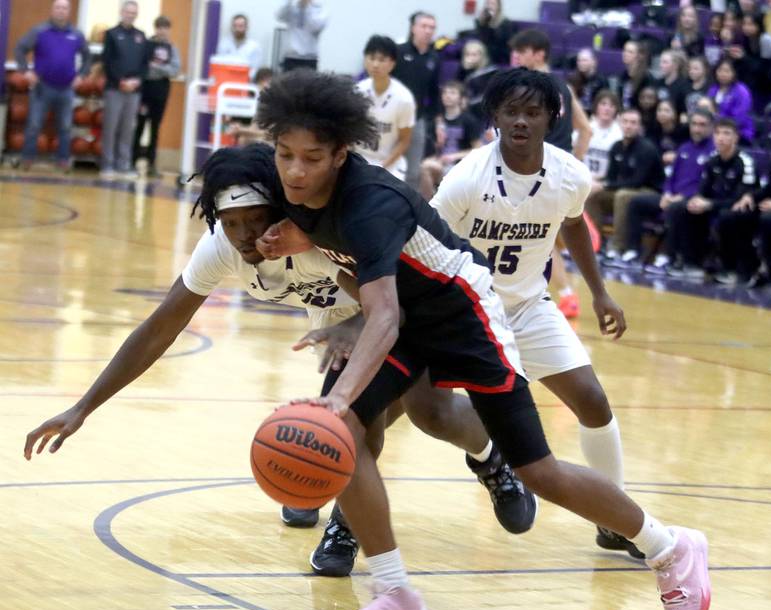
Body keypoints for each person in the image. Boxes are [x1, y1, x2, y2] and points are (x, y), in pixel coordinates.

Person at [251, 68, 710, 610]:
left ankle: (670, 550)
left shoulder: (371, 202)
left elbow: (385, 313)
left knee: (538, 469)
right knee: (346, 432)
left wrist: (338, 395)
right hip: (409, 314)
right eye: (284, 155)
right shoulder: (299, 187)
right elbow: (364, 276)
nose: (294, 170)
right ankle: (396, 596)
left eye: (310, 158)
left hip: (463, 311)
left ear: (341, 154)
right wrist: (303, 240)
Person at [22, 140, 535, 572]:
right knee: (354, 429)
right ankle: (347, 518)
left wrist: (357, 325)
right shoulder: (223, 247)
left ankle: (490, 460)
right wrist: (83, 406)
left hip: (399, 310)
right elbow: (159, 329)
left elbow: (388, 307)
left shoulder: (314, 237)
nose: (246, 234)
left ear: (280, 213)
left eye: (256, 219)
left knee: (433, 414)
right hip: (340, 320)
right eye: (231, 221)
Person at [430, 66, 651, 562]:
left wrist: (599, 293)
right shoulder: (466, 178)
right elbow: (423, 239)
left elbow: (573, 225)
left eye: (533, 112)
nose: (522, 122)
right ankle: (344, 520)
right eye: (512, 111)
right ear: (495, 118)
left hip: (529, 306)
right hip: (464, 312)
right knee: (407, 407)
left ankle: (614, 523)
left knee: (593, 401)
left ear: (552, 118)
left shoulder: (570, 174)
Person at [509, 28, 594, 319]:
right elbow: (586, 130)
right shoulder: (565, 88)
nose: (517, 57)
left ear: (539, 54)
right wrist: (574, 163)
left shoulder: (530, 89)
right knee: (542, 237)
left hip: (536, 171)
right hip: (562, 173)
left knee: (535, 239)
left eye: (522, 52)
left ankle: (567, 295)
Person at [613, 109, 716, 270]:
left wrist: (681, 197)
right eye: (694, 124)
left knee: (675, 208)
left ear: (710, 128)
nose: (697, 129)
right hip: (671, 196)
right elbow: (670, 177)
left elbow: (705, 184)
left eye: (702, 125)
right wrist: (667, 193)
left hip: (692, 200)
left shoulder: (713, 152)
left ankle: (667, 256)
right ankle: (632, 251)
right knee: (636, 202)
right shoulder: (684, 148)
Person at [665, 117, 756, 279]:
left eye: (726, 134)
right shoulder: (712, 160)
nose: (721, 137)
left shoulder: (745, 162)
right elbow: (703, 189)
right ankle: (688, 262)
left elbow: (740, 199)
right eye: (718, 133)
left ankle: (730, 269)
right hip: (715, 205)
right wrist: (697, 200)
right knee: (682, 208)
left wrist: (709, 204)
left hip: (740, 209)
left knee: (727, 216)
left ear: (736, 137)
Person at [720, 113, 771, 288]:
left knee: (769, 220)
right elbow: (768, 189)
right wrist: (750, 197)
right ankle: (751, 266)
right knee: (736, 215)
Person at [13, 0, 90, 171]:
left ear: (68, 11)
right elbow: (19, 49)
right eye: (58, 7)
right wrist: (26, 71)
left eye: (64, 8)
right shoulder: (39, 31)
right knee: (34, 125)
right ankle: (27, 159)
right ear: (53, 10)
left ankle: (63, 161)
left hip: (66, 89)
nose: (61, 11)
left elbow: (87, 57)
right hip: (42, 87)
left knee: (65, 127)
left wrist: (82, 76)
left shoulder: (76, 34)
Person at [585, 108, 664, 262]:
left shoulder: (646, 148)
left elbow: (637, 181)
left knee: (622, 196)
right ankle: (595, 243)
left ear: (640, 127)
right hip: (626, 189)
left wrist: (605, 184)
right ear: (620, 124)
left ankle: (617, 247)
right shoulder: (616, 147)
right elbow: (611, 177)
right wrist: (599, 183)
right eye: (626, 122)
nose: (629, 126)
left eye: (633, 123)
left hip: (650, 192)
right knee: (592, 194)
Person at [354, 35, 416, 181]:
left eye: (382, 60)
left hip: (389, 164)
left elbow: (404, 140)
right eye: (371, 58)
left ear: (392, 64)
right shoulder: (357, 91)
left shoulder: (404, 98)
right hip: (358, 161)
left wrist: (382, 167)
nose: (375, 64)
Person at [392, 11, 440, 191]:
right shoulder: (398, 52)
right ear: (413, 28)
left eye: (432, 27)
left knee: (413, 170)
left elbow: (434, 92)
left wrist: (438, 122)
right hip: (394, 117)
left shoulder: (434, 58)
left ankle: (407, 210)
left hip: (418, 119)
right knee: (388, 164)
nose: (428, 31)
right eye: (424, 26)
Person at [100, 1, 148, 178]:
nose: (130, 15)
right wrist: (120, 81)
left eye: (134, 12)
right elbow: (107, 61)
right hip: (114, 88)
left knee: (128, 129)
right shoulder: (111, 34)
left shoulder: (141, 36)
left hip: (134, 91)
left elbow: (144, 64)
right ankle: (107, 165)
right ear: (121, 12)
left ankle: (124, 165)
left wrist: (137, 81)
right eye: (128, 11)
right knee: (111, 127)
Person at [132, 15, 180, 178]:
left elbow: (174, 70)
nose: (162, 31)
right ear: (155, 28)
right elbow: (142, 66)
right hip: (146, 87)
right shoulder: (146, 44)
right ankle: (132, 161)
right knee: (139, 124)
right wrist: (154, 67)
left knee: (155, 127)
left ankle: (151, 164)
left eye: (165, 28)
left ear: (169, 30)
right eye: (159, 27)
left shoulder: (172, 48)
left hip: (161, 87)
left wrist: (158, 67)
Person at [419, 81, 482, 200]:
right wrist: (438, 142)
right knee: (422, 166)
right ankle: (429, 203)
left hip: (461, 166)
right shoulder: (437, 121)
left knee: (426, 167)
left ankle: (428, 205)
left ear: (461, 98)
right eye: (445, 93)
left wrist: (454, 156)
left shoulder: (468, 120)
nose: (447, 96)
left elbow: (479, 149)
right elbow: (433, 150)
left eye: (452, 93)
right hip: (440, 163)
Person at [708, 58, 754, 144]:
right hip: (715, 130)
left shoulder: (741, 91)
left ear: (734, 73)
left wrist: (716, 117)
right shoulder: (713, 89)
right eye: (720, 70)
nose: (723, 74)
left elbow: (739, 119)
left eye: (727, 71)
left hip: (739, 132)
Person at [584, 89, 623, 185]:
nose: (607, 109)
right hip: (582, 177)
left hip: (606, 181)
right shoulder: (585, 128)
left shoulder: (620, 133)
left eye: (611, 106)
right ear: (596, 106)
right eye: (603, 104)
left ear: (616, 110)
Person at [276, 0, 327, 71]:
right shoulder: (292, 6)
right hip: (290, 57)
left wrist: (307, 7)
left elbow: (316, 26)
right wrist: (289, 2)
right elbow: (279, 16)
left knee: (309, 81)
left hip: (309, 59)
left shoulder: (319, 7)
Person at [615, 40, 656, 111]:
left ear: (639, 55)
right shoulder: (623, 75)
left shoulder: (646, 78)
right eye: (624, 51)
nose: (625, 54)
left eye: (630, 52)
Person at [567, 48, 610, 115]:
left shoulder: (602, 81)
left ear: (593, 62)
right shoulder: (572, 79)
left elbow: (604, 102)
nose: (581, 63)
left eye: (584, 60)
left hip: (594, 116)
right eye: (579, 61)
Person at [474, 0, 514, 64]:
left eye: (492, 4)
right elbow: (479, 37)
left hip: (499, 51)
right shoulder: (480, 21)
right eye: (488, 3)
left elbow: (501, 42)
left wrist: (491, 26)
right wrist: (485, 23)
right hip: (483, 49)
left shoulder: (505, 23)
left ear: (498, 7)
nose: (489, 6)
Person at [656, 50, 691, 117]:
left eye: (665, 62)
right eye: (661, 62)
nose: (661, 65)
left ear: (675, 65)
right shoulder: (658, 83)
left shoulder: (684, 86)